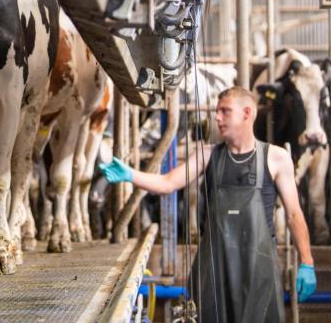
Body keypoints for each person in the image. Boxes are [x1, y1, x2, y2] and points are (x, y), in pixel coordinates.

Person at [99, 86, 316, 323]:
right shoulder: (207, 154)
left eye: (224, 111)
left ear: (247, 113)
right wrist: (130, 174)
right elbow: (167, 183)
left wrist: (307, 261)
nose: (216, 117)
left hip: (258, 270)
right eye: (216, 111)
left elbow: (294, 214)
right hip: (214, 269)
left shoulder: (275, 158)